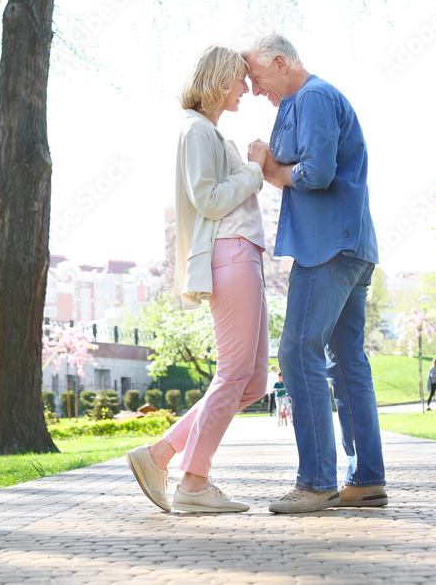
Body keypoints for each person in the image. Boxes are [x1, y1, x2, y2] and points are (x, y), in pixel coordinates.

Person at [243, 34, 387, 514]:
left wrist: (275, 170)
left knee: (296, 349)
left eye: (258, 78)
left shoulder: (315, 97)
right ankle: (366, 479)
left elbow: (317, 172)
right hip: (348, 246)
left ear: (281, 62)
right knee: (345, 360)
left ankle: (316, 482)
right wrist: (270, 154)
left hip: (330, 247)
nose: (255, 89)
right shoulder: (297, 102)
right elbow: (289, 157)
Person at [126, 45, 270, 514]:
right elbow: (208, 200)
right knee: (234, 375)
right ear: (220, 78)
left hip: (244, 256)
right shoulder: (195, 130)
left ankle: (161, 455)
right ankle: (193, 482)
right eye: (240, 80)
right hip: (230, 256)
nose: (247, 89)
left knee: (253, 384)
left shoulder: (207, 131)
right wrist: (252, 168)